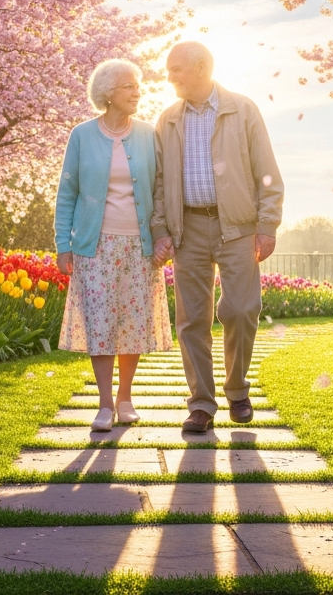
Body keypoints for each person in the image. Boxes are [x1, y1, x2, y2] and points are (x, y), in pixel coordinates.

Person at [150, 41, 284, 433]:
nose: (169, 76)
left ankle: (237, 390)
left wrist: (267, 223)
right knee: (192, 319)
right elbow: (159, 183)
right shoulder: (168, 120)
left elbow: (268, 173)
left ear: (202, 66)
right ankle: (201, 405)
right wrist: (161, 228)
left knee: (242, 309)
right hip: (187, 227)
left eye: (176, 69)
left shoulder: (242, 110)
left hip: (238, 227)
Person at [55, 58, 173, 431]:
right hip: (95, 246)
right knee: (102, 324)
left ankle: (126, 398)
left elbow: (159, 189)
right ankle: (104, 404)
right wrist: (63, 243)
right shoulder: (82, 135)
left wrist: (160, 235)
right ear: (108, 93)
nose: (137, 92)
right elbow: (67, 193)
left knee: (133, 323)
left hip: (138, 246)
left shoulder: (147, 134)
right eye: (128, 87)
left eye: (138, 86)